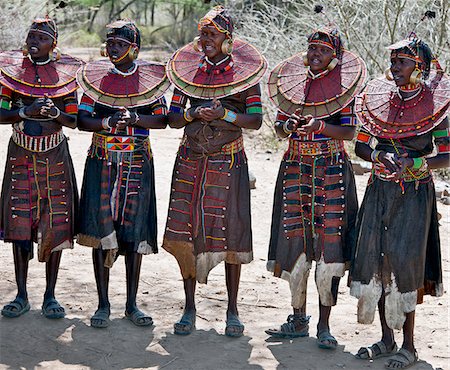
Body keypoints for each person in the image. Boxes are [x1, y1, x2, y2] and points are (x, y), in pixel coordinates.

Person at [163, 5, 266, 337]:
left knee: (231, 232)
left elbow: (255, 121)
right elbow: (172, 118)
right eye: (203, 34)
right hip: (190, 158)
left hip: (228, 160)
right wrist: (194, 114)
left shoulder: (246, 75)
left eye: (212, 35)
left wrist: (226, 115)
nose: (205, 40)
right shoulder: (186, 73)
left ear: (227, 40)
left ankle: (232, 310)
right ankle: (189, 308)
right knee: (186, 230)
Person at [265, 24, 366, 349]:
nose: (315, 55)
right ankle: (297, 318)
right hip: (295, 167)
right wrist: (287, 125)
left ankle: (324, 324)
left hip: (331, 170)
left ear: (335, 57)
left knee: (329, 247)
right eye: (312, 48)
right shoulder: (292, 83)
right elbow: (279, 129)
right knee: (295, 242)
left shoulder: (345, 88)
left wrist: (321, 125)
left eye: (323, 50)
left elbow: (349, 134)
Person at [350, 35, 448, 368]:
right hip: (380, 190)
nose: (395, 67)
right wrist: (378, 154)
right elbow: (360, 146)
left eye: (402, 62)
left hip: (415, 196)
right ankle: (386, 339)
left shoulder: (437, 106)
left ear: (419, 67)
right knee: (380, 260)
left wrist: (417, 163)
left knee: (405, 263)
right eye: (393, 61)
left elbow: (447, 154)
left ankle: (409, 345)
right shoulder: (376, 99)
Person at [76, 20, 169, 328]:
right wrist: (107, 123)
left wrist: (135, 119)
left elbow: (162, 119)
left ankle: (131, 304)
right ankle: (103, 304)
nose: (111, 47)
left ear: (135, 49)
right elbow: (82, 119)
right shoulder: (95, 78)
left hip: (138, 161)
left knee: (134, 233)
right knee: (102, 229)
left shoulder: (152, 80)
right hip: (102, 159)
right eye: (109, 42)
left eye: (118, 43)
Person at [0, 17, 82, 319]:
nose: (34, 41)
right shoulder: (10, 73)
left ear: (53, 44)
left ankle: (50, 295)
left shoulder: (65, 75)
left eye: (41, 37)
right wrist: (26, 111)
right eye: (31, 35)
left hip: (55, 155)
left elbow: (74, 120)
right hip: (20, 154)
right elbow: (1, 113)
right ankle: (21, 294)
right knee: (20, 224)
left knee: (55, 223)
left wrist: (56, 112)